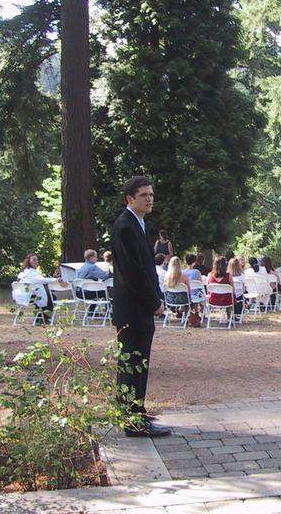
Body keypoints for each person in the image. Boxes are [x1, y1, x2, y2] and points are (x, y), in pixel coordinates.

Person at [111, 175, 171, 438]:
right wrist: (153, 302)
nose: (150, 199)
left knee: (138, 363)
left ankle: (136, 412)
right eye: (144, 195)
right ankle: (133, 421)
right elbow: (133, 273)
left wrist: (157, 298)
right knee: (132, 364)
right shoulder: (125, 226)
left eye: (151, 194)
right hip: (132, 309)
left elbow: (147, 268)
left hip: (138, 309)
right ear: (130, 198)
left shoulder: (139, 224)